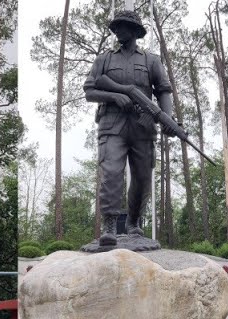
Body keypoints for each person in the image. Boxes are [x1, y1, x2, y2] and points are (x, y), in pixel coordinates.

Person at [83, 10, 175, 248]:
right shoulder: (104, 59)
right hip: (112, 124)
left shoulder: (151, 60)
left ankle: (133, 224)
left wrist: (167, 119)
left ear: (134, 31)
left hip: (143, 125)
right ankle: (110, 225)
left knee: (143, 177)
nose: (117, 30)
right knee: (112, 172)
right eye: (116, 27)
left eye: (123, 26)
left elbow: (163, 90)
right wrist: (115, 96)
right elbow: (90, 90)